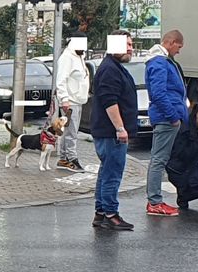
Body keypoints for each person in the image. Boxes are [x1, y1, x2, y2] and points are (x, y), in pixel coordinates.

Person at [90, 31, 139, 231]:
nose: (130, 48)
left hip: (107, 131)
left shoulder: (112, 66)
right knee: (112, 174)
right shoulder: (110, 69)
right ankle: (111, 213)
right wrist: (120, 128)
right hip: (111, 133)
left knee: (106, 172)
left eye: (131, 44)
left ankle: (101, 213)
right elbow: (111, 102)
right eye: (126, 44)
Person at [144, 29, 189, 216]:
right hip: (166, 119)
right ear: (171, 42)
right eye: (179, 46)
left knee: (160, 159)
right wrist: (173, 117)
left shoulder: (162, 61)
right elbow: (159, 93)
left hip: (168, 118)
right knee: (159, 160)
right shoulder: (160, 63)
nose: (179, 51)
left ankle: (155, 200)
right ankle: (154, 202)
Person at [53, 36, 90, 171]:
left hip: (77, 100)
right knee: (72, 132)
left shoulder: (80, 57)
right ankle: (72, 158)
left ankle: (63, 158)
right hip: (70, 101)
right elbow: (61, 79)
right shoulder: (67, 58)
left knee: (68, 130)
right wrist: (64, 99)